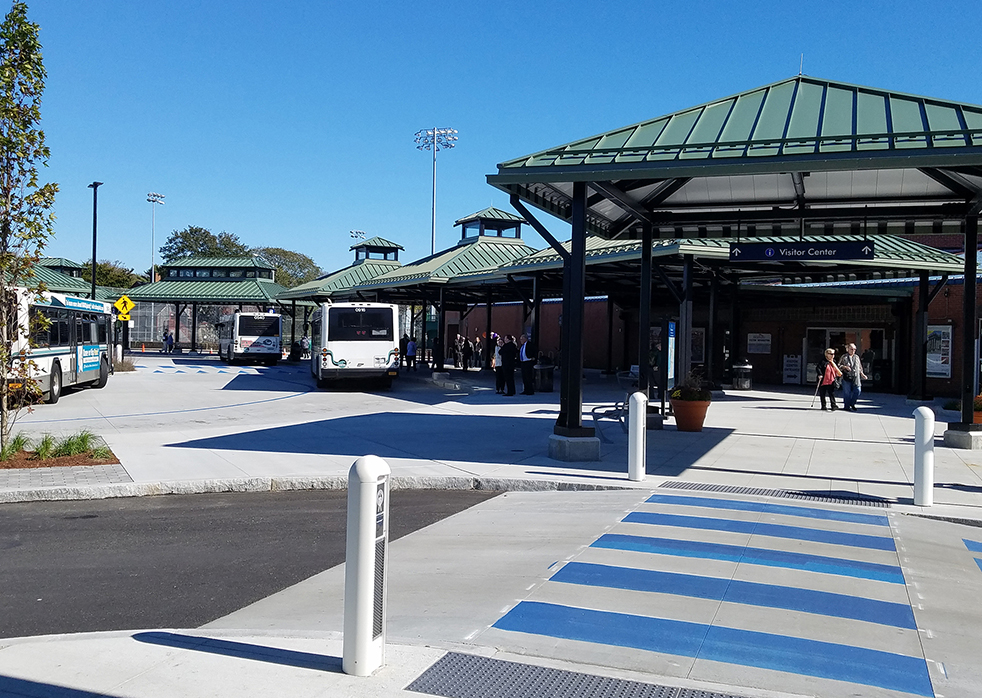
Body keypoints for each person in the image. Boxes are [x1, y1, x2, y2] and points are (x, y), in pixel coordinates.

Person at [838, 343, 868, 412]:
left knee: (858, 390)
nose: (853, 350)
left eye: (854, 349)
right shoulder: (844, 357)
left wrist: (862, 374)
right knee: (847, 393)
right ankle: (847, 406)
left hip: (856, 377)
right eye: (851, 349)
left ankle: (852, 403)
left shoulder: (856, 357)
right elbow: (839, 365)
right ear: (848, 349)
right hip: (847, 377)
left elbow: (859, 367)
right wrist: (844, 367)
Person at [816, 347, 842, 411]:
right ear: (827, 354)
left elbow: (836, 369)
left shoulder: (834, 361)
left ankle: (833, 405)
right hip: (823, 380)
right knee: (822, 394)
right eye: (831, 354)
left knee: (832, 394)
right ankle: (823, 406)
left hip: (831, 380)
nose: (833, 355)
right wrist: (820, 374)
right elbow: (818, 368)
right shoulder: (823, 361)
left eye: (833, 354)